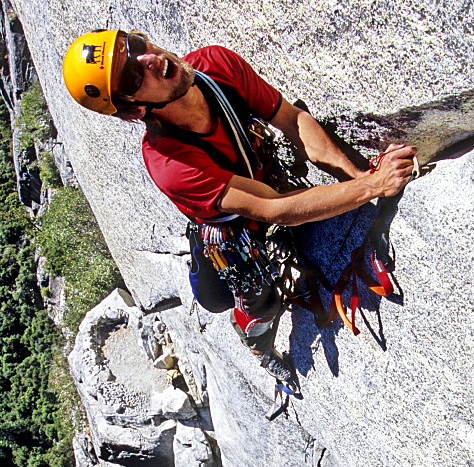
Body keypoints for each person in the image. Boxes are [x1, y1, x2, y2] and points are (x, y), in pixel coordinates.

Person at [62, 29, 415, 382]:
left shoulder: (216, 66)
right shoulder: (170, 163)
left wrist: (355, 176)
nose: (149, 59)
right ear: (134, 109)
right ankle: (258, 344)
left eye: (135, 45)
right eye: (133, 76)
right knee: (261, 301)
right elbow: (273, 209)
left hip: (261, 178)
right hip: (237, 228)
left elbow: (290, 120)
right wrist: (372, 185)